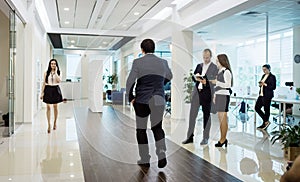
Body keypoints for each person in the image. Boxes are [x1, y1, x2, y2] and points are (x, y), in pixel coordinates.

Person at [126, 39, 172, 168]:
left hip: (142, 100)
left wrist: (131, 97)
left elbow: (130, 81)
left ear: (142, 50)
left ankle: (145, 159)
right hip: (158, 100)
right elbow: (170, 76)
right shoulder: (163, 62)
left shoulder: (138, 62)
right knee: (157, 127)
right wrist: (160, 85)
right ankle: (161, 151)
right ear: (154, 49)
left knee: (141, 129)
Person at [182, 49, 218, 145]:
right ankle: (189, 137)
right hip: (197, 94)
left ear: (210, 57)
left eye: (207, 57)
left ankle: (205, 137)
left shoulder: (214, 67)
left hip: (207, 94)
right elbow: (194, 77)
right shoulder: (199, 66)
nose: (205, 59)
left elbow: (215, 81)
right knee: (192, 116)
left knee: (206, 116)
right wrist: (196, 78)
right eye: (204, 57)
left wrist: (206, 82)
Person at [213, 54, 233, 147]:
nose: (216, 62)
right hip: (219, 96)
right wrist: (215, 95)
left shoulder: (226, 72)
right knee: (220, 119)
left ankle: (223, 139)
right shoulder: (220, 71)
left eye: (217, 61)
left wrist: (217, 82)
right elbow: (218, 86)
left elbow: (228, 85)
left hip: (224, 97)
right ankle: (222, 138)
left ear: (222, 61)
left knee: (223, 119)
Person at [40, 59, 63, 133]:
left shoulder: (59, 72)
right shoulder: (46, 73)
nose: (53, 65)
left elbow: (59, 81)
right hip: (48, 89)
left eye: (54, 64)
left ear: (56, 65)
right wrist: (42, 93)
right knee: (48, 107)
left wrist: (56, 72)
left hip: (55, 89)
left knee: (55, 107)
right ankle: (49, 124)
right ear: (50, 64)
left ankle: (55, 122)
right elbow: (44, 83)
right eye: (52, 64)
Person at [255, 64, 276, 130]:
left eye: (265, 69)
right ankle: (266, 121)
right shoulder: (263, 76)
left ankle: (265, 123)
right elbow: (262, 85)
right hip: (261, 94)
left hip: (267, 95)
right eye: (263, 70)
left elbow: (273, 87)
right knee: (257, 108)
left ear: (269, 69)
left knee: (266, 109)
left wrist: (265, 84)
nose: (264, 71)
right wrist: (260, 84)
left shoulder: (272, 77)